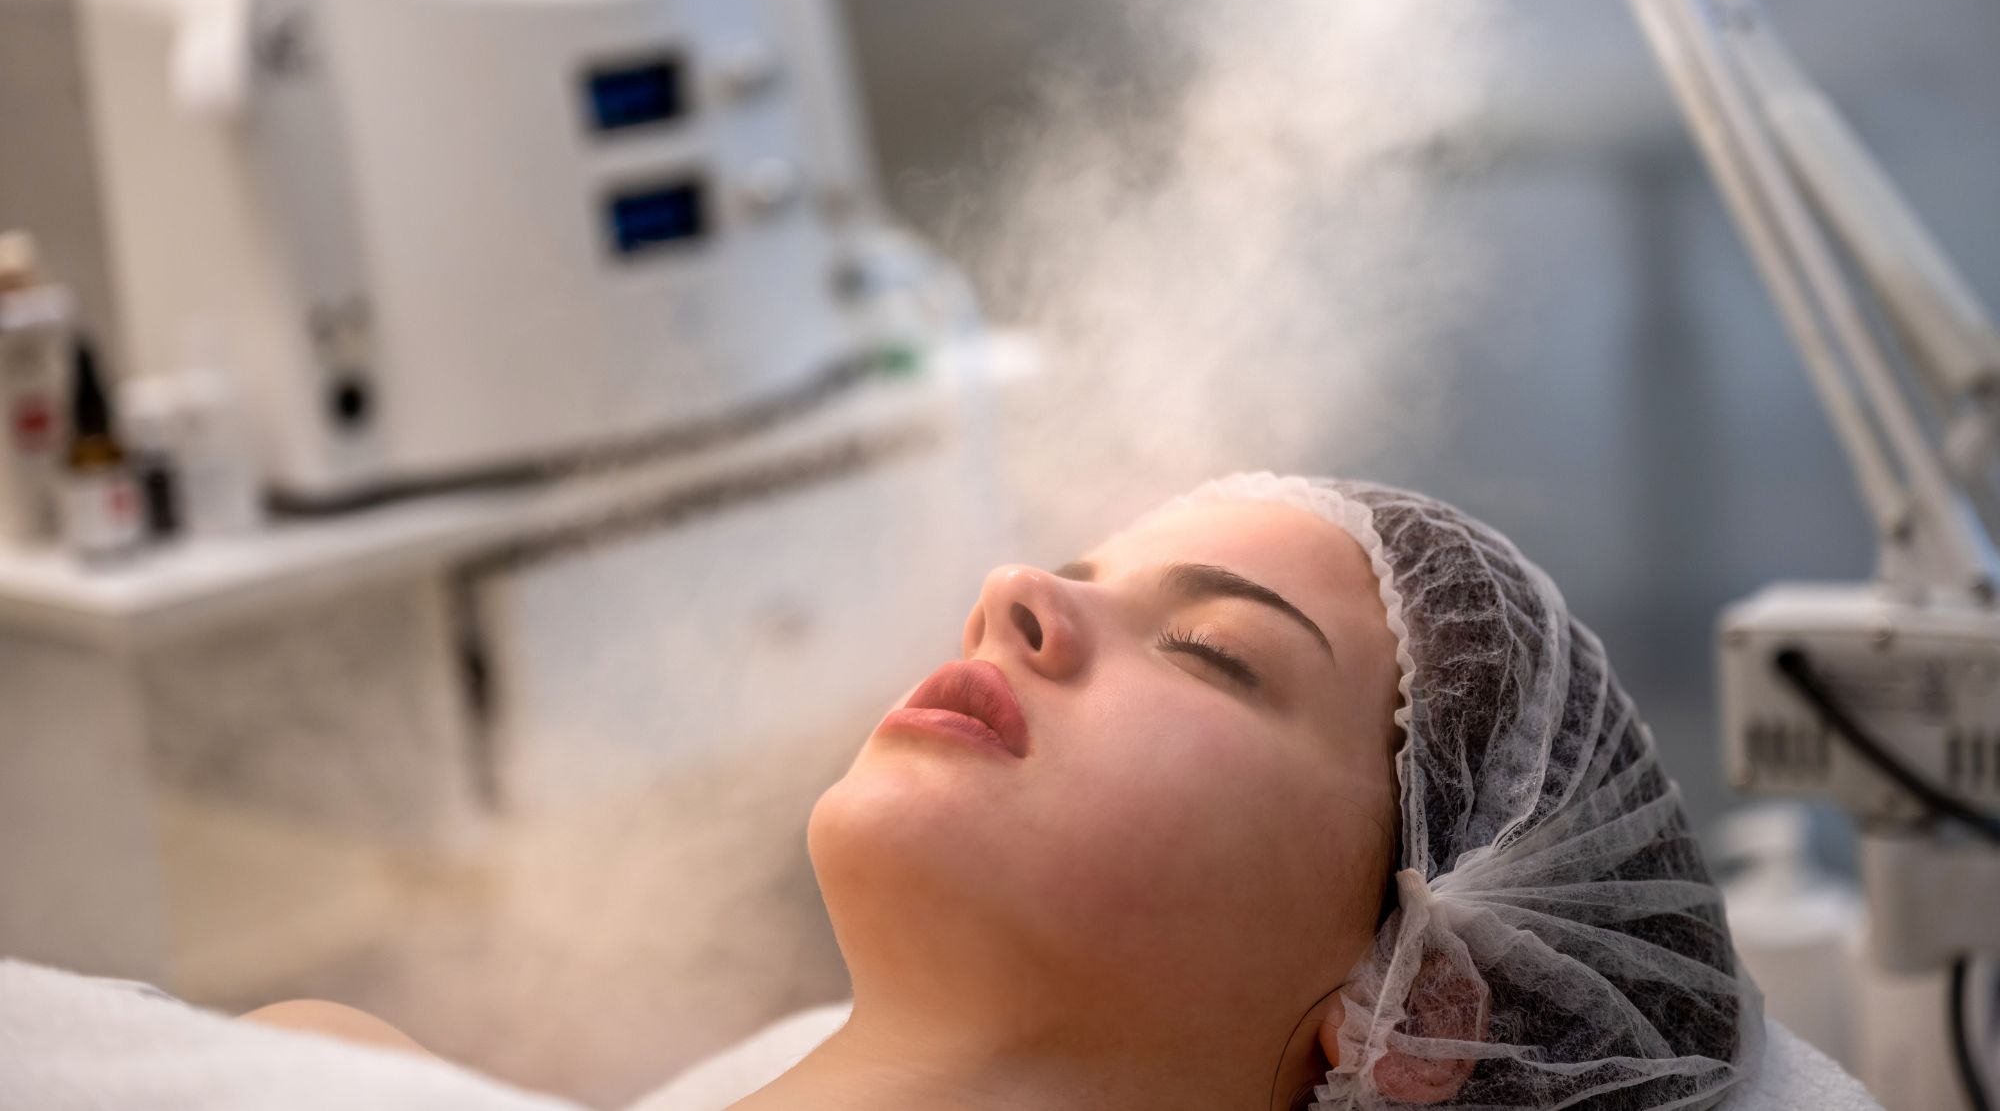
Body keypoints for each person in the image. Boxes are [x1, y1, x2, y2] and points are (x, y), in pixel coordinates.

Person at [251, 473, 1758, 1110]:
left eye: (1211, 651)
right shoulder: (308, 1071)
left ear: (1412, 1014)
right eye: (1076, 571)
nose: (1011, 592)